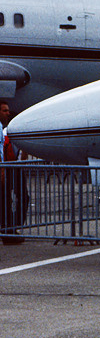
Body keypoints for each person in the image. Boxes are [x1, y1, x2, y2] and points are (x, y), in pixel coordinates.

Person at [0, 100, 26, 245]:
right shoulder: (1, 129)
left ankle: (10, 230)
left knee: (7, 201)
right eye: (4, 111)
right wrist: (2, 169)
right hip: (4, 167)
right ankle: (8, 233)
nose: (8, 113)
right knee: (5, 202)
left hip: (8, 167)